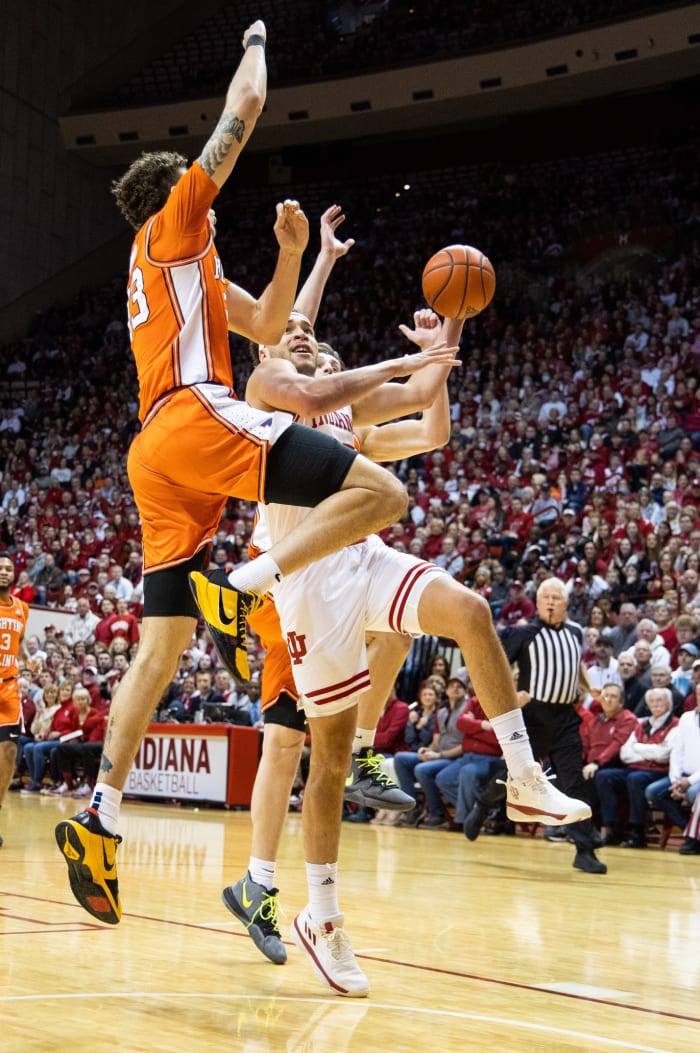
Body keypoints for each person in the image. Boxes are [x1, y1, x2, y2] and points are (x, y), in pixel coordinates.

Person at [54, 23, 455, 925]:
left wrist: (287, 252)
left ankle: (99, 819)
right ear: (176, 194)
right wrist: (257, 40)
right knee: (380, 491)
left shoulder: (181, 266)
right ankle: (242, 588)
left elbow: (272, 323)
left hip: (155, 452)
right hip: (194, 415)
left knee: (157, 653)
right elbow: (245, 109)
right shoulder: (174, 222)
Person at [222, 312, 590, 994]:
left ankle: (524, 777)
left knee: (471, 611)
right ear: (270, 345)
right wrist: (394, 363)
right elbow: (311, 392)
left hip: (363, 560)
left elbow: (426, 413)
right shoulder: (267, 387)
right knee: (323, 762)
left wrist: (439, 351)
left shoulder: (346, 411)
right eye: (291, 328)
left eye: (313, 331)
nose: (304, 334)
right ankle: (321, 916)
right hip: (309, 591)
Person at [500, 577, 607, 874]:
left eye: (556, 597)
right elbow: (497, 668)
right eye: (545, 597)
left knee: (573, 781)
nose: (550, 602)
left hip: (565, 717)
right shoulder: (523, 633)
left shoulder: (576, 631)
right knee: (512, 774)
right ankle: (484, 803)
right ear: (536, 602)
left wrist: (590, 687)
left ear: (566, 603)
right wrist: (510, 696)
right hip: (532, 715)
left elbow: (575, 665)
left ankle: (584, 849)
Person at [596, 687, 677, 847]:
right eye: (652, 701)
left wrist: (638, 747)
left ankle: (636, 830)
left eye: (659, 700)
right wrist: (652, 749)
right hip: (636, 768)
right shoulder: (643, 724)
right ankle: (613, 828)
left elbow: (663, 755)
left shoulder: (675, 724)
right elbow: (625, 753)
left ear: (668, 703)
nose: (655, 704)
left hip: (659, 771)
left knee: (635, 779)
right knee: (604, 776)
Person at [645, 679, 700, 852]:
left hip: (695, 778)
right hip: (682, 775)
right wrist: (676, 779)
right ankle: (689, 831)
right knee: (653, 792)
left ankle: (693, 836)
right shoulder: (687, 717)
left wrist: (688, 782)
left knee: (693, 793)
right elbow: (677, 751)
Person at [0, 554, 30, 847]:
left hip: (8, 688)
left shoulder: (22, 609)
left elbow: (18, 645)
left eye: (8, 568)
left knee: (8, 752)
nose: (4, 572)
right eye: (0, 568)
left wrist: (29, 661)